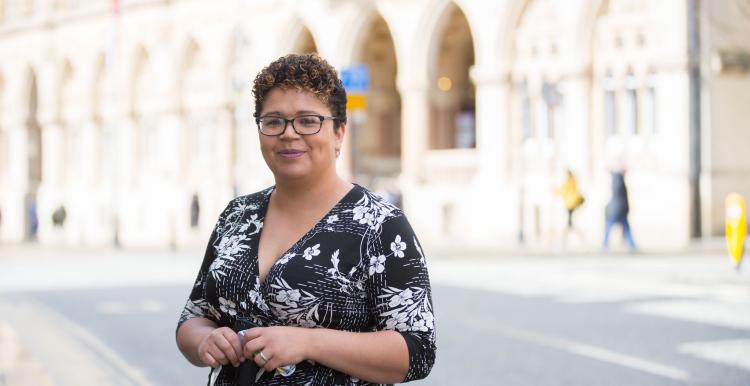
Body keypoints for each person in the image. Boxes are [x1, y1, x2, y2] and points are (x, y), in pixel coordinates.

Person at [176, 54, 436, 386]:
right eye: (274, 121)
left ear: (339, 132)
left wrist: (307, 341)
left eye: (308, 120)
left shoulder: (380, 225)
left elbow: (417, 352)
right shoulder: (236, 215)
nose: (288, 133)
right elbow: (193, 317)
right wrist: (204, 342)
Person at [602, 168, 636, 252]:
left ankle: (605, 244)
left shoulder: (617, 181)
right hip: (618, 210)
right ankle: (631, 245)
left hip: (617, 209)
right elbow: (621, 198)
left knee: (621, 227)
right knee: (623, 227)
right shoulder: (618, 181)